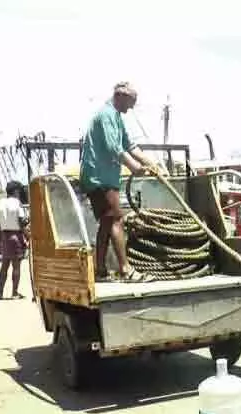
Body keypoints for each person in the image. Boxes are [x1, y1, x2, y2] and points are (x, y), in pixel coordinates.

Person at [80, 82, 158, 282]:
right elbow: (114, 147)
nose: (131, 108)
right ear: (120, 96)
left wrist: (155, 165)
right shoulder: (106, 115)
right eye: (131, 102)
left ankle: (100, 270)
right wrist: (134, 167)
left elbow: (130, 145)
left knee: (106, 222)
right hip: (98, 178)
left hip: (106, 177)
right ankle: (125, 270)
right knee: (116, 219)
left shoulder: (116, 117)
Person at [0, 181, 28, 300]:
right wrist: (27, 236)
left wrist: (0, 237)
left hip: (4, 236)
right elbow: (22, 222)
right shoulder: (17, 203)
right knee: (16, 266)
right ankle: (15, 292)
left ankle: (0, 292)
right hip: (15, 235)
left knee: (4, 265)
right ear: (16, 191)